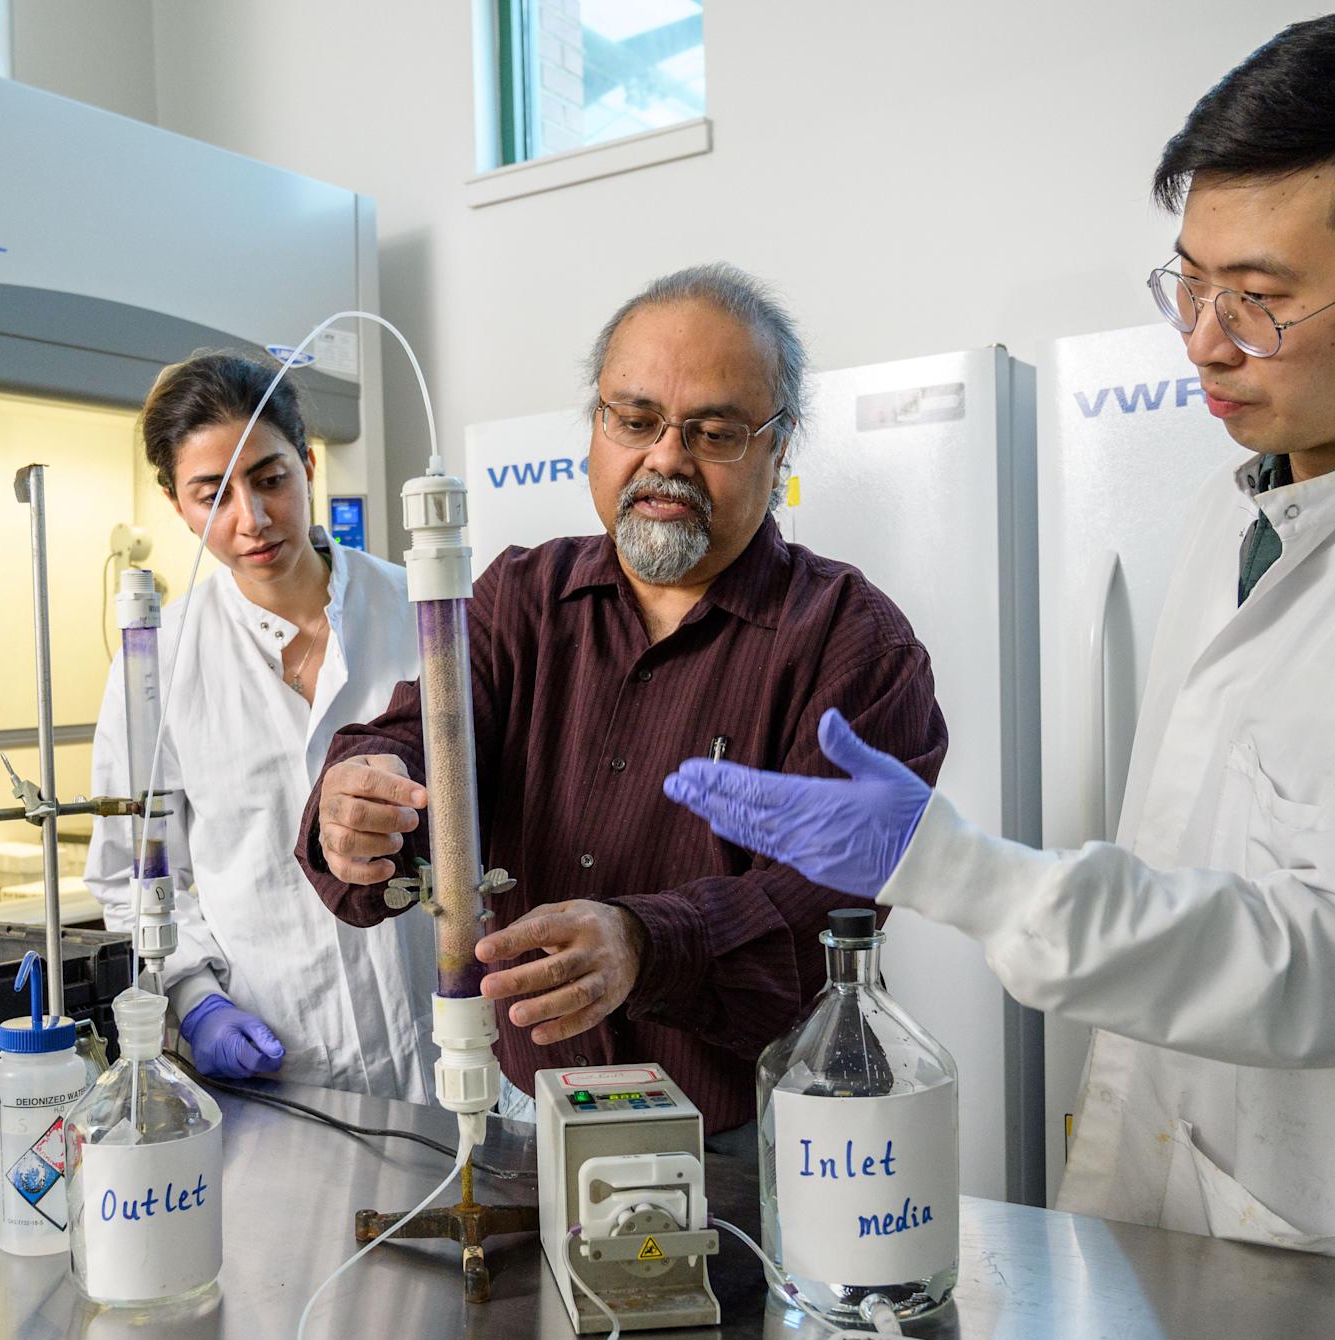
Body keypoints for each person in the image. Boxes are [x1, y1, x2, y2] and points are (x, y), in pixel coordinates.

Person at [665, 1, 1335, 1292]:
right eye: (1189, 277)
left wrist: (959, 868)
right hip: (1161, 1223)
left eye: (1259, 298)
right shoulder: (1235, 509)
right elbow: (1181, 887)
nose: (1199, 340)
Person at [297, 264, 949, 1144]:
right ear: (597, 428)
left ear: (778, 446)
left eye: (713, 431)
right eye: (635, 421)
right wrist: (364, 789)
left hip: (758, 1138)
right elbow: (422, 735)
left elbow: (831, 909)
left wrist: (645, 943)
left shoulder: (853, 646)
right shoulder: (519, 597)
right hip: (532, 1114)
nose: (666, 458)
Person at [85, 352, 437, 1101]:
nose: (252, 518)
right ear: (177, 505)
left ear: (308, 464)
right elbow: (130, 871)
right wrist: (196, 1000)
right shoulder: (159, 661)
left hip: (451, 1044)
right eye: (212, 495)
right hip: (285, 1065)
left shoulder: (422, 614)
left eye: (270, 478)